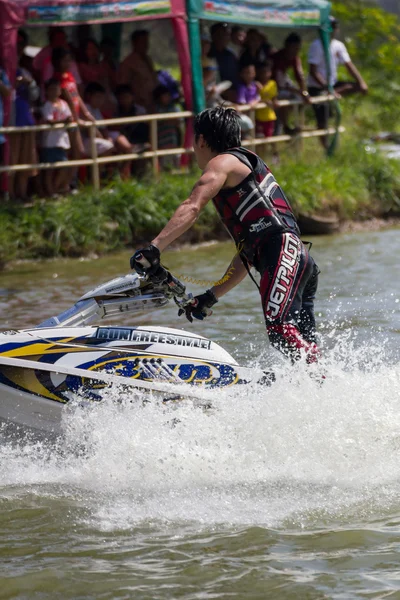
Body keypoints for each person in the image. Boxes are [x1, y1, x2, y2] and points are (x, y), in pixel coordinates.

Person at [130, 106, 320, 365]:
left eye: (194, 142)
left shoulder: (222, 162)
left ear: (201, 140)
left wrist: (154, 247)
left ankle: (323, 378)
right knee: (298, 340)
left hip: (284, 253)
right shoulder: (242, 166)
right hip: (297, 257)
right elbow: (247, 256)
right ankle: (321, 388)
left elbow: (192, 206)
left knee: (280, 331)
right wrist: (211, 296)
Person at [308, 16, 368, 147]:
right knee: (322, 120)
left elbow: (349, 65)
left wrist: (361, 82)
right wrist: (325, 86)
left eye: (335, 27)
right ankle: (326, 148)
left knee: (355, 86)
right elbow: (313, 71)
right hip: (318, 86)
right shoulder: (317, 46)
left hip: (332, 84)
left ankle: (334, 93)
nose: (334, 30)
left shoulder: (338, 45)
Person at [272, 32, 311, 135]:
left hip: (283, 83)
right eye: (294, 48)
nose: (295, 52)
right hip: (273, 87)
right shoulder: (278, 58)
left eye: (297, 49)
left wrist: (304, 92)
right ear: (287, 46)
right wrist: (299, 91)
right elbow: (279, 83)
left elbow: (299, 75)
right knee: (285, 98)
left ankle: (294, 122)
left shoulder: (295, 58)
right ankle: (286, 126)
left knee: (299, 99)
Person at [40, 78, 73, 196]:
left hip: (62, 141)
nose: (54, 91)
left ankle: (55, 188)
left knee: (64, 165)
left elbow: (69, 117)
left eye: (56, 89)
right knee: (49, 169)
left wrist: (67, 120)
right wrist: (64, 121)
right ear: (47, 91)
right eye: (51, 89)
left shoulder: (64, 104)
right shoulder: (47, 105)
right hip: (49, 142)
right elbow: (49, 121)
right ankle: (50, 192)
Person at [117, 29, 157, 111]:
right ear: (134, 43)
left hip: (153, 102)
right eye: (143, 42)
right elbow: (123, 86)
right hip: (139, 105)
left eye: (147, 42)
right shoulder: (128, 63)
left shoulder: (148, 59)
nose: (146, 45)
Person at [255, 61, 278, 139]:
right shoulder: (256, 85)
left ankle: (272, 151)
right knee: (259, 137)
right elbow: (255, 98)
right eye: (263, 72)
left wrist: (275, 101)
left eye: (267, 72)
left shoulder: (273, 84)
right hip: (259, 116)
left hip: (269, 115)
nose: (265, 74)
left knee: (269, 136)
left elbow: (274, 97)